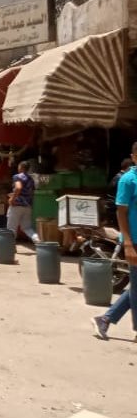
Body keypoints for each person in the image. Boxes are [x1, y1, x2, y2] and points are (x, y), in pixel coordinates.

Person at [93, 143, 137, 340]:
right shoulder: (128, 179)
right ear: (134, 156)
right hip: (134, 240)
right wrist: (127, 243)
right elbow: (122, 212)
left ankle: (105, 319)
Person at [6, 160, 39, 243]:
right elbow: (30, 193)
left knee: (11, 228)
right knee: (27, 227)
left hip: (16, 205)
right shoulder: (31, 179)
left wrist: (12, 199)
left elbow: (18, 187)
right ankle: (37, 239)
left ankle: (10, 247)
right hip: (27, 206)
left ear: (20, 167)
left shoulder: (17, 176)